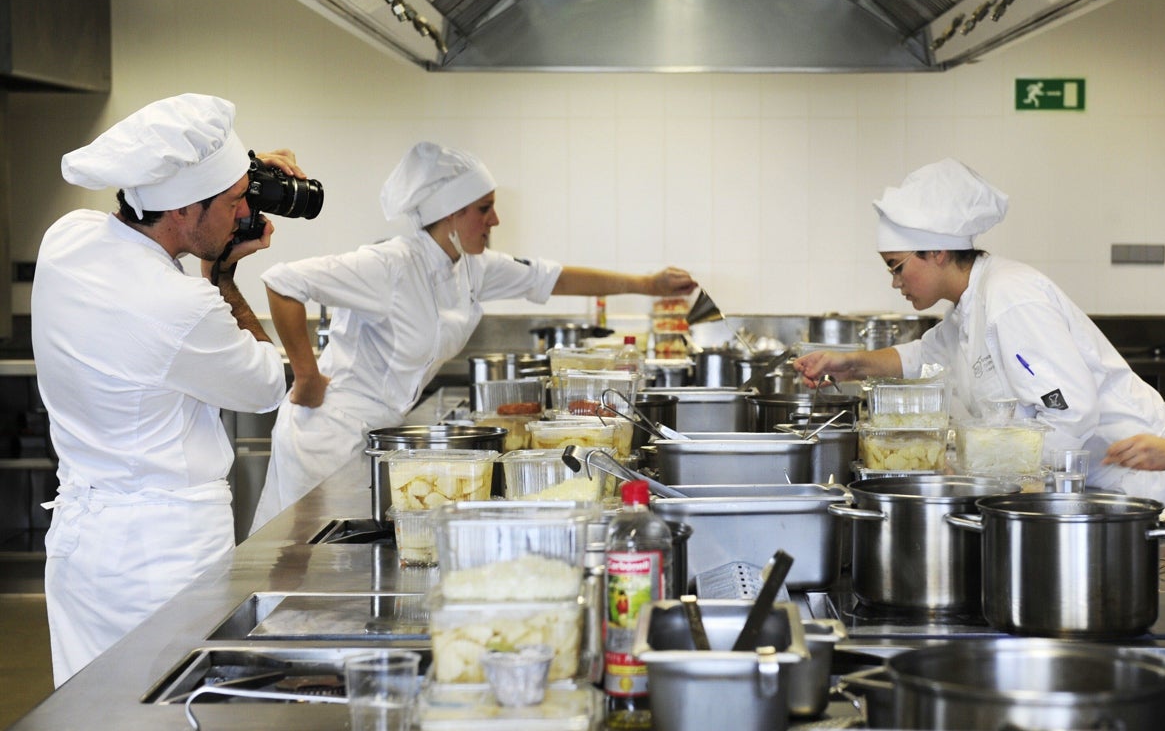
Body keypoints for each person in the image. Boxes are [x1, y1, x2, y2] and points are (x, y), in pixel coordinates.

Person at [250, 141, 697, 531]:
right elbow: (283, 281)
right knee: (300, 552)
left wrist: (648, 285)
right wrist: (306, 376)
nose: (496, 220)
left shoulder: (468, 268)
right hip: (327, 432)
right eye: (485, 209)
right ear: (450, 214)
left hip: (378, 431)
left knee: (349, 545)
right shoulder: (389, 265)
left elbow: (553, 278)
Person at [32, 94, 299, 685]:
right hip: (161, 555)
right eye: (235, 202)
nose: (242, 213)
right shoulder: (178, 306)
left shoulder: (68, 239)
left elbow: (167, 207)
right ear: (182, 208)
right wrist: (225, 277)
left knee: (88, 709)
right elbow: (265, 384)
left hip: (86, 545)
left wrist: (241, 167)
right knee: (169, 706)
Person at [794, 157, 1165, 512]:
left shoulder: (1009, 298)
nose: (895, 282)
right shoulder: (970, 306)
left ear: (936, 251)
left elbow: (1070, 411)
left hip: (1150, 484)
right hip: (1098, 485)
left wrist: (1008, 487)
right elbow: (923, 357)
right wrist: (848, 364)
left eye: (896, 266)